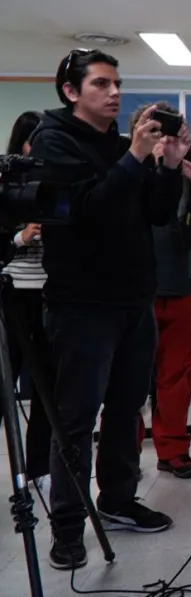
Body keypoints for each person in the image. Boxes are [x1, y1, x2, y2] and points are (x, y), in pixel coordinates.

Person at [30, 49, 183, 570]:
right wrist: (135, 157)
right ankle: (68, 527)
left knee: (126, 410)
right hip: (81, 306)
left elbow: (158, 214)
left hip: (133, 300)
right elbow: (87, 210)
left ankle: (117, 500)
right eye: (101, 84)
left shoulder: (123, 146)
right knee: (75, 419)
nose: (114, 92)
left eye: (117, 83)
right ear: (71, 92)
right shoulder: (54, 140)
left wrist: (168, 164)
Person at [131, 102, 191, 480]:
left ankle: (173, 450)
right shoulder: (128, 171)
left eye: (172, 132)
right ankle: (125, 456)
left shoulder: (185, 172)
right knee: (130, 378)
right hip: (135, 292)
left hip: (181, 287)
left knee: (177, 375)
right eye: (156, 130)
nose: (165, 139)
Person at [0, 110, 54, 487]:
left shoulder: (55, 184)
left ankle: (40, 468)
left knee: (48, 390)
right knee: (3, 384)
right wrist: (21, 238)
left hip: (52, 295)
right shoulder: (6, 188)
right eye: (33, 139)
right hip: (13, 294)